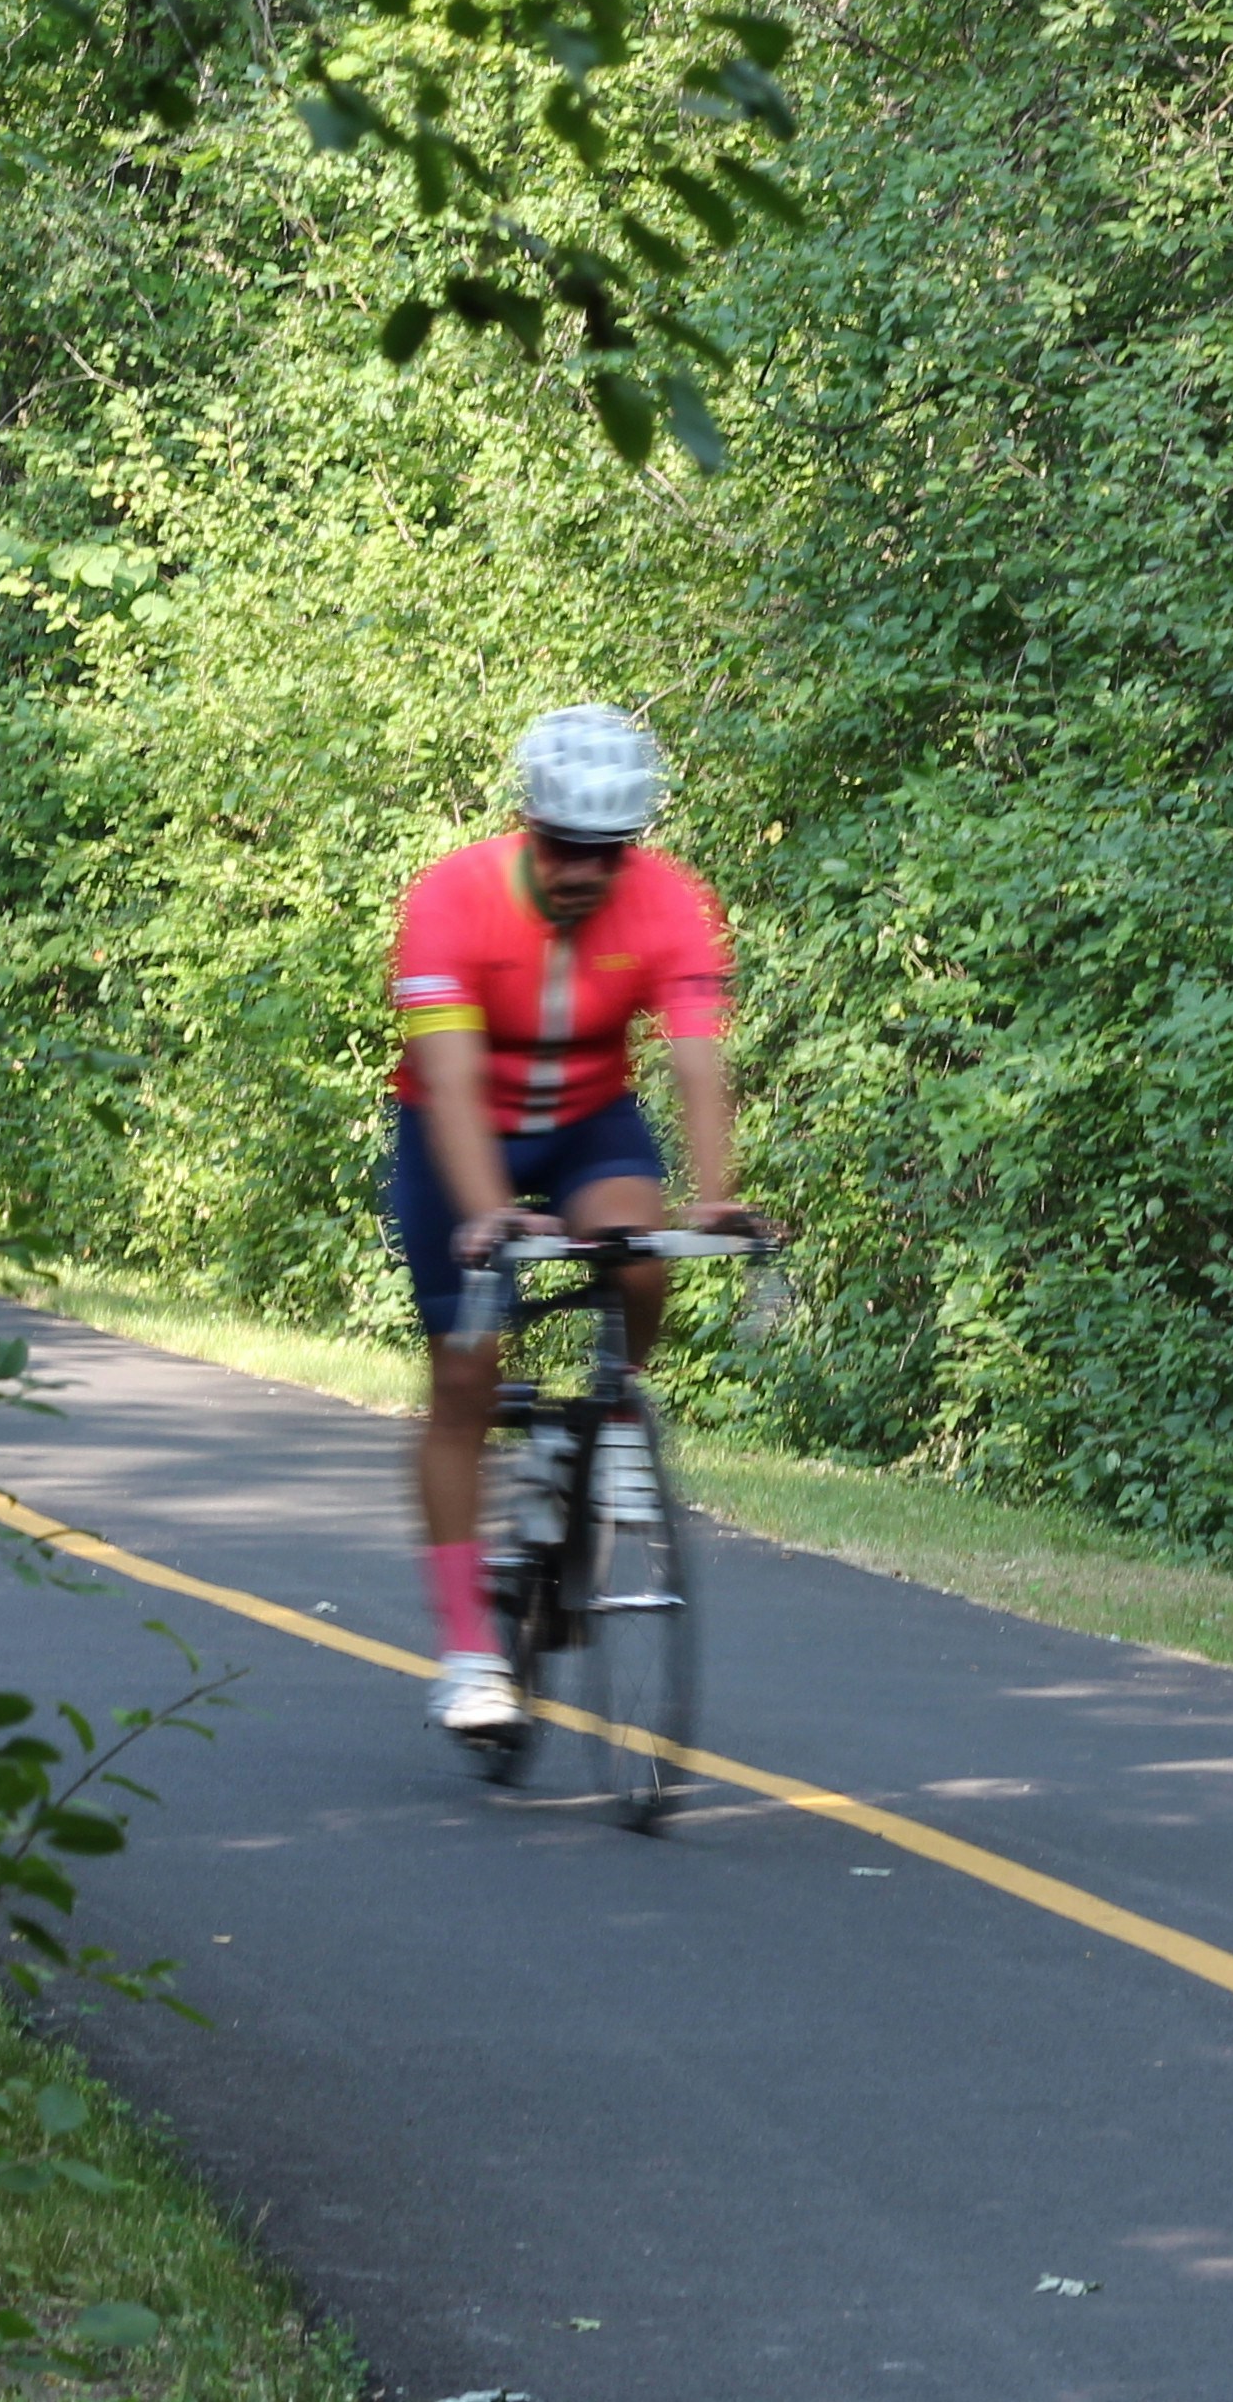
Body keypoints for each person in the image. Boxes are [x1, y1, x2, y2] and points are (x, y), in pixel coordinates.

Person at [387, 706, 760, 1740]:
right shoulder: (453, 898)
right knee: (465, 1375)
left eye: (607, 852)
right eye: (562, 848)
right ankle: (469, 1652)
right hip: (456, 1133)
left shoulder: (673, 902)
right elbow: (452, 1086)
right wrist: (487, 1213)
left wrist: (716, 1192)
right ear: (527, 824)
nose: (583, 872)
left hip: (591, 1123)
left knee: (640, 1255)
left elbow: (694, 1056)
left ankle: (613, 1430)